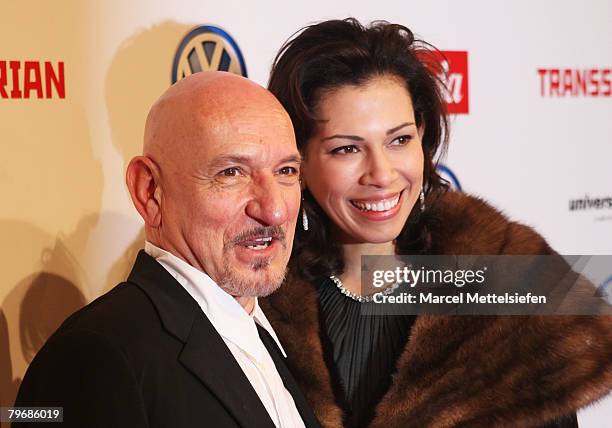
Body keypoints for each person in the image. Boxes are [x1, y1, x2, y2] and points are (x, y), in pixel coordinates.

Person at [261, 19, 612, 428]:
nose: (382, 174)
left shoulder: (511, 288)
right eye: (347, 149)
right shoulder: (255, 303)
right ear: (298, 158)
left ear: (422, 135)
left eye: (399, 140)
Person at [14, 72, 321, 428]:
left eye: (286, 171)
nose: (275, 210)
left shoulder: (269, 337)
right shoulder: (93, 355)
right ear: (149, 191)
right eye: (232, 172)